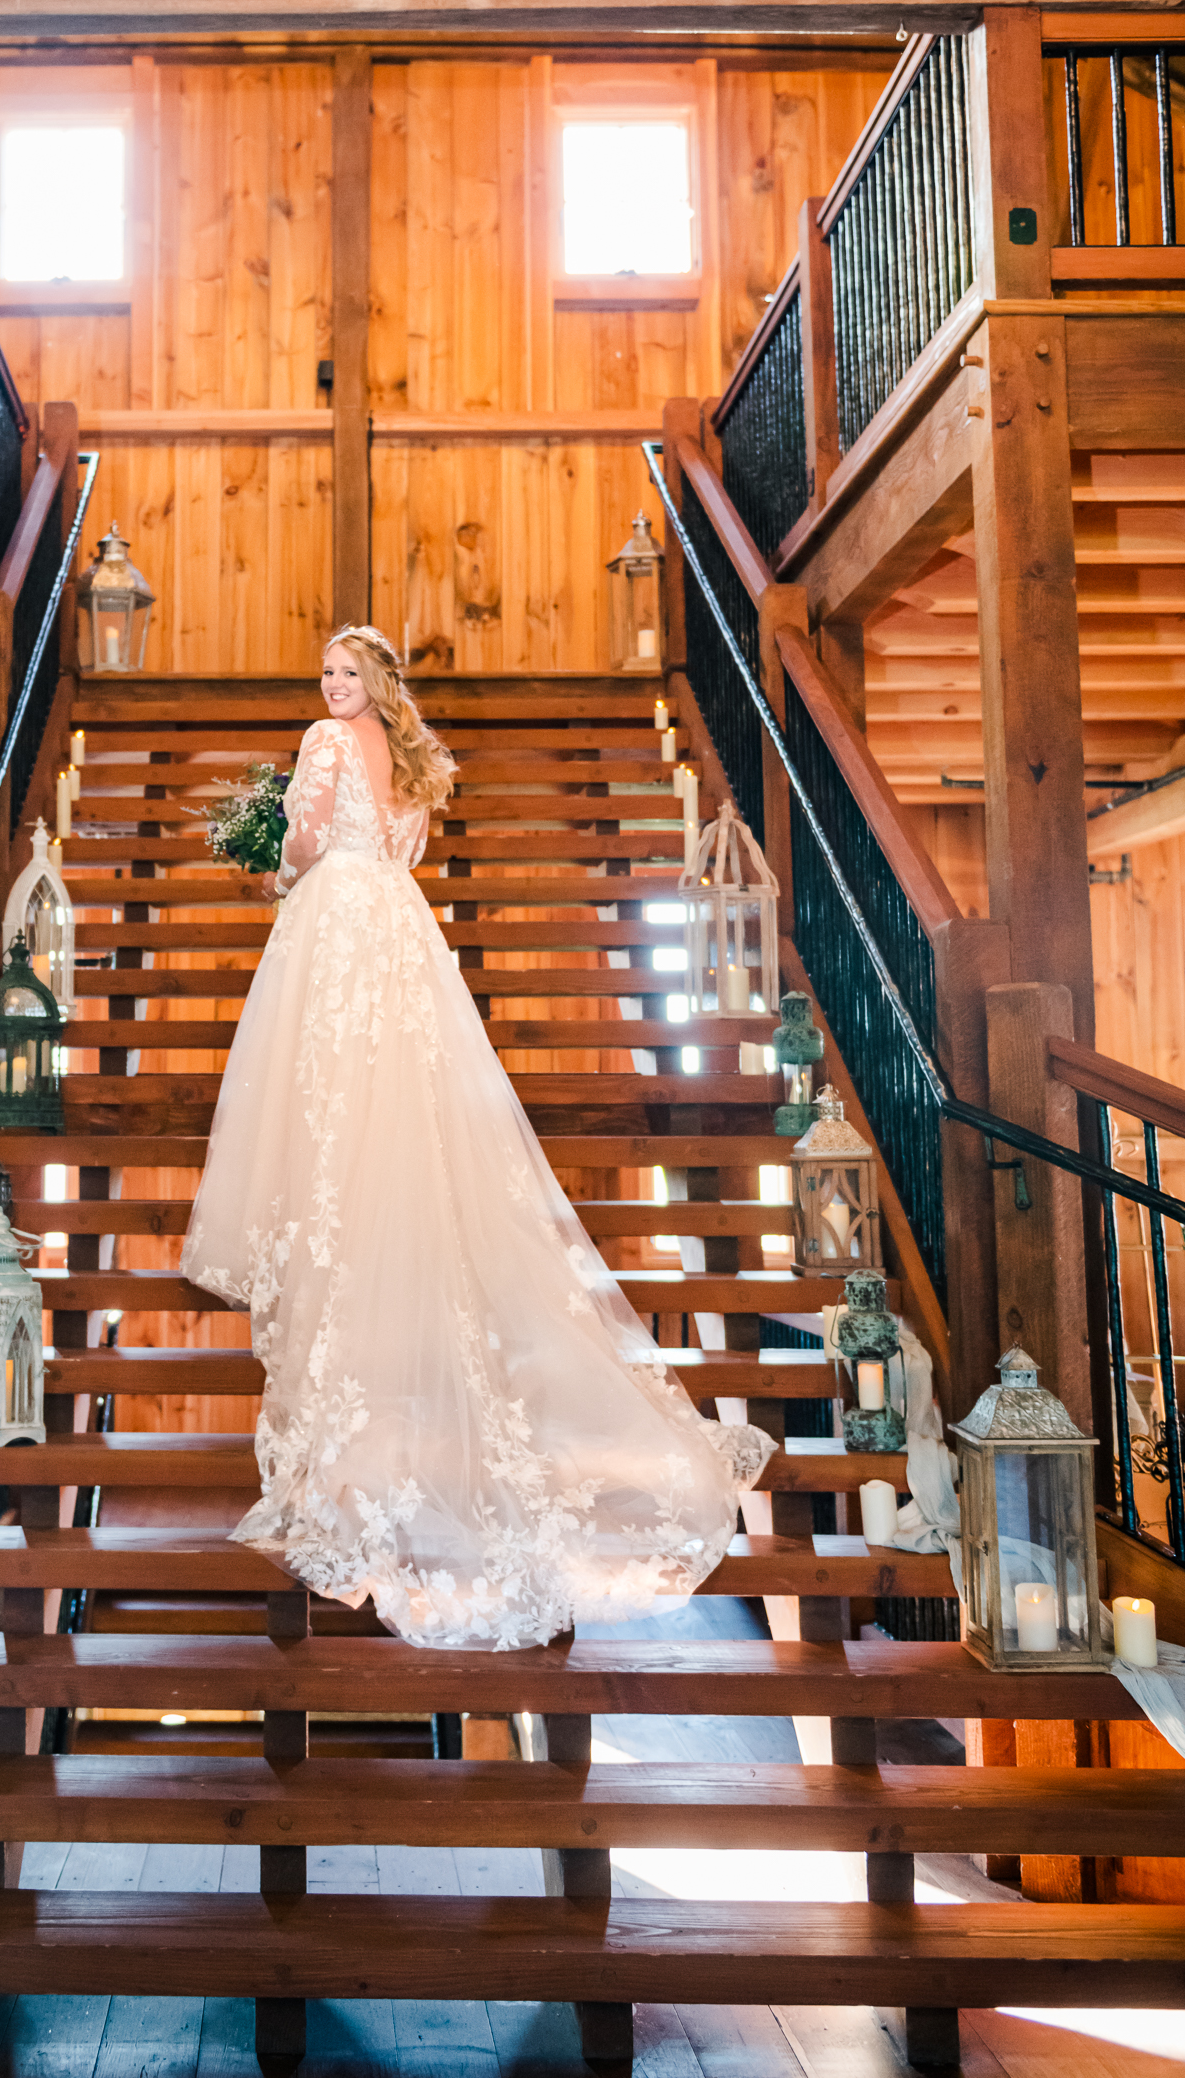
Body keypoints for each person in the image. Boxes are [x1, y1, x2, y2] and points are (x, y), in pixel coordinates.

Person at [181, 625, 772, 1650]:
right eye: (325, 672)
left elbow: (308, 837)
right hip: (401, 929)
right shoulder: (408, 761)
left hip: (334, 926)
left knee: (328, 1089)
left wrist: (277, 866)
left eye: (345, 673)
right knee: (396, 1091)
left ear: (371, 683)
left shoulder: (323, 745)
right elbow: (398, 847)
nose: (330, 686)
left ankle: (344, 1250)